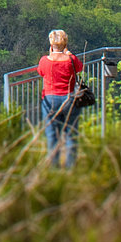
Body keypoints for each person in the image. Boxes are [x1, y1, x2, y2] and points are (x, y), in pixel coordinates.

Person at [38, 29, 82, 167]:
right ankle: (70, 166)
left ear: (51, 44)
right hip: (68, 98)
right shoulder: (71, 60)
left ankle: (54, 166)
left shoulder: (45, 60)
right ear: (65, 44)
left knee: (52, 134)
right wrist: (68, 53)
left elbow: (41, 72)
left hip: (50, 99)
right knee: (70, 133)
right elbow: (79, 67)